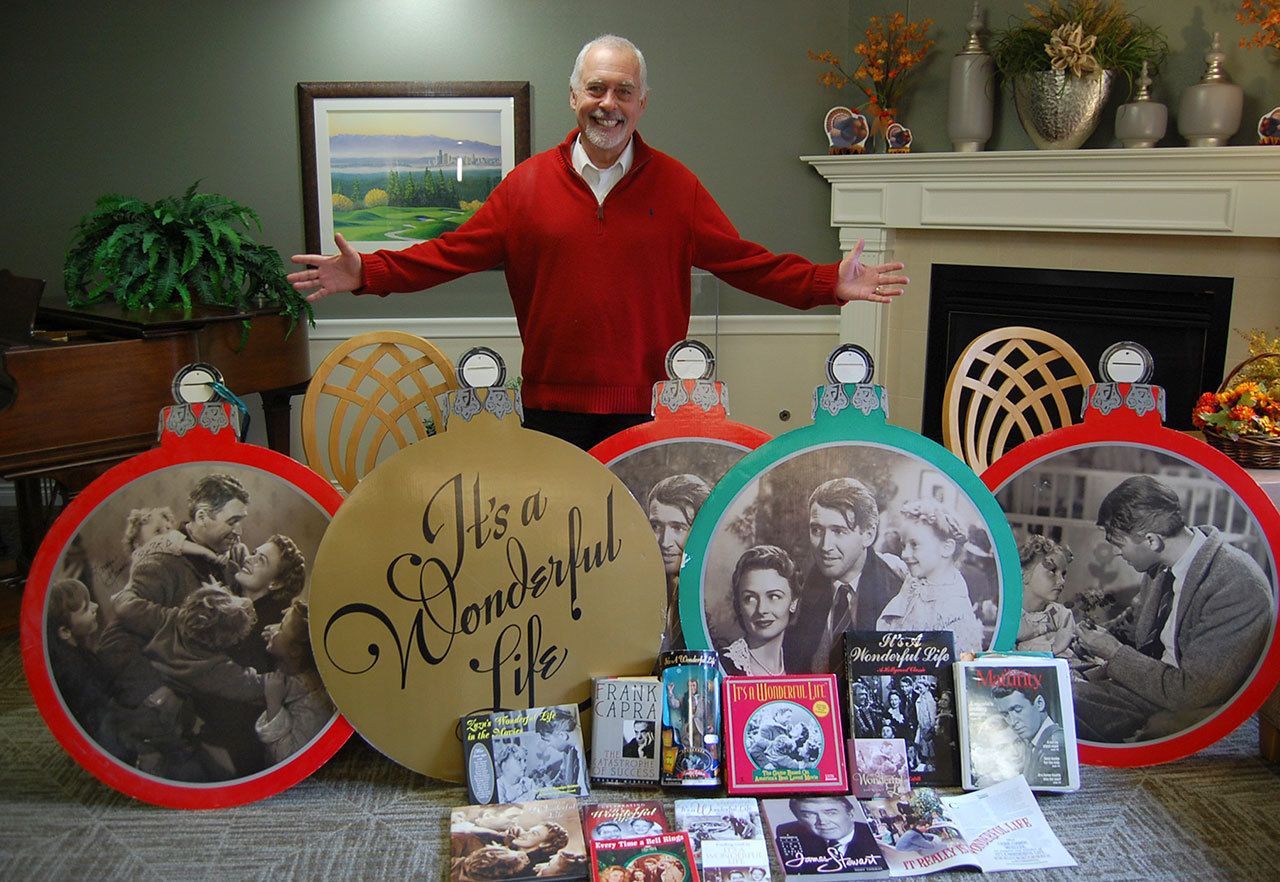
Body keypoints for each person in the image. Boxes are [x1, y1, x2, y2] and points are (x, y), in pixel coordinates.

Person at [288, 34, 908, 451]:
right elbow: (445, 254)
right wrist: (366, 272)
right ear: (574, 97)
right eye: (596, 89)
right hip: (552, 410)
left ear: (642, 103)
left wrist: (830, 282)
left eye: (622, 91)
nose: (607, 104)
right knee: (560, 559)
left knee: (642, 555)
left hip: (652, 407)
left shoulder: (678, 186)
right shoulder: (524, 189)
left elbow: (748, 264)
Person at [1073, 475, 1274, 742]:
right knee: (1052, 684)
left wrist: (1112, 651)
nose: (1117, 554)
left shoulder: (1237, 583)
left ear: (1152, 541)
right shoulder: (1163, 566)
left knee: (1056, 704)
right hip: (1147, 685)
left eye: (1119, 545)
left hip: (1179, 704)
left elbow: (1191, 693)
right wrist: (1087, 641)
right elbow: (1136, 626)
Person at [785, 478, 907, 673]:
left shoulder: (897, 593)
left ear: (868, 534)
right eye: (816, 530)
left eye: (839, 531)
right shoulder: (799, 587)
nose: (825, 546)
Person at [876, 498, 984, 655]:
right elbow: (893, 564)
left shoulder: (955, 613)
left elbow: (963, 663)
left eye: (914, 545)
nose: (905, 554)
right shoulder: (916, 578)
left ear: (946, 548)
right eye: (903, 545)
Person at [254, 599, 336, 766]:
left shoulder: (314, 703)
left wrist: (274, 704)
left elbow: (289, 757)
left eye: (281, 627)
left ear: (295, 651)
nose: (272, 628)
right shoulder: (292, 673)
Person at [647, 473, 712, 653]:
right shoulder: (638, 595)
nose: (665, 542)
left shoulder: (715, 600)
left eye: (678, 528)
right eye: (656, 526)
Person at [719, 545, 799, 675]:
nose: (761, 610)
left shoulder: (801, 663)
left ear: (793, 602)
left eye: (774, 596)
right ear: (739, 605)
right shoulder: (724, 666)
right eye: (750, 598)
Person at [989, 679, 1067, 788]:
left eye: (1017, 710)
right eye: (1005, 714)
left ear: (1039, 703)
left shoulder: (1056, 742)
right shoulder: (1031, 743)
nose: (1012, 722)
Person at [1015, 534, 1078, 654]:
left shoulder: (1062, 616)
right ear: (1024, 574)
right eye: (1052, 571)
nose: (1061, 581)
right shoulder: (1008, 617)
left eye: (1063, 574)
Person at [775, 796, 881, 861]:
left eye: (831, 813)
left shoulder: (872, 836)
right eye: (809, 815)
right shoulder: (788, 834)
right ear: (799, 819)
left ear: (850, 813)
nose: (822, 821)